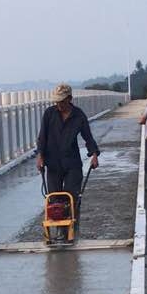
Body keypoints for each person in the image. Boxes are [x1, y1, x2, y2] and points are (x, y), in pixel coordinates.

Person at [36, 83, 99, 228]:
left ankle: (72, 227)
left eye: (62, 101)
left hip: (72, 163)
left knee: (71, 197)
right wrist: (40, 156)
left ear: (70, 99)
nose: (59, 105)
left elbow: (88, 137)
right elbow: (42, 137)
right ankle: (60, 230)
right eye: (57, 102)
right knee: (54, 199)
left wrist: (94, 154)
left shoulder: (78, 115)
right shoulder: (49, 114)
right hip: (53, 163)